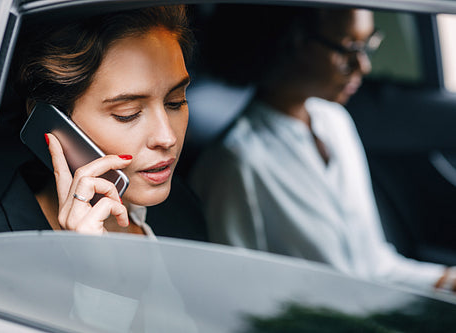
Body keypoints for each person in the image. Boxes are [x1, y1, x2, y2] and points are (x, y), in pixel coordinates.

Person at [190, 5, 456, 293]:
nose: (363, 65)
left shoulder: (335, 121)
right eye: (348, 49)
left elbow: (372, 266)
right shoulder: (236, 163)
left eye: (369, 45)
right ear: (291, 43)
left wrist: (445, 280)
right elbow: (233, 294)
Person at [0, 5, 195, 237]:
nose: (167, 137)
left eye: (175, 102)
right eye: (127, 113)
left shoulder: (182, 207)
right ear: (53, 122)